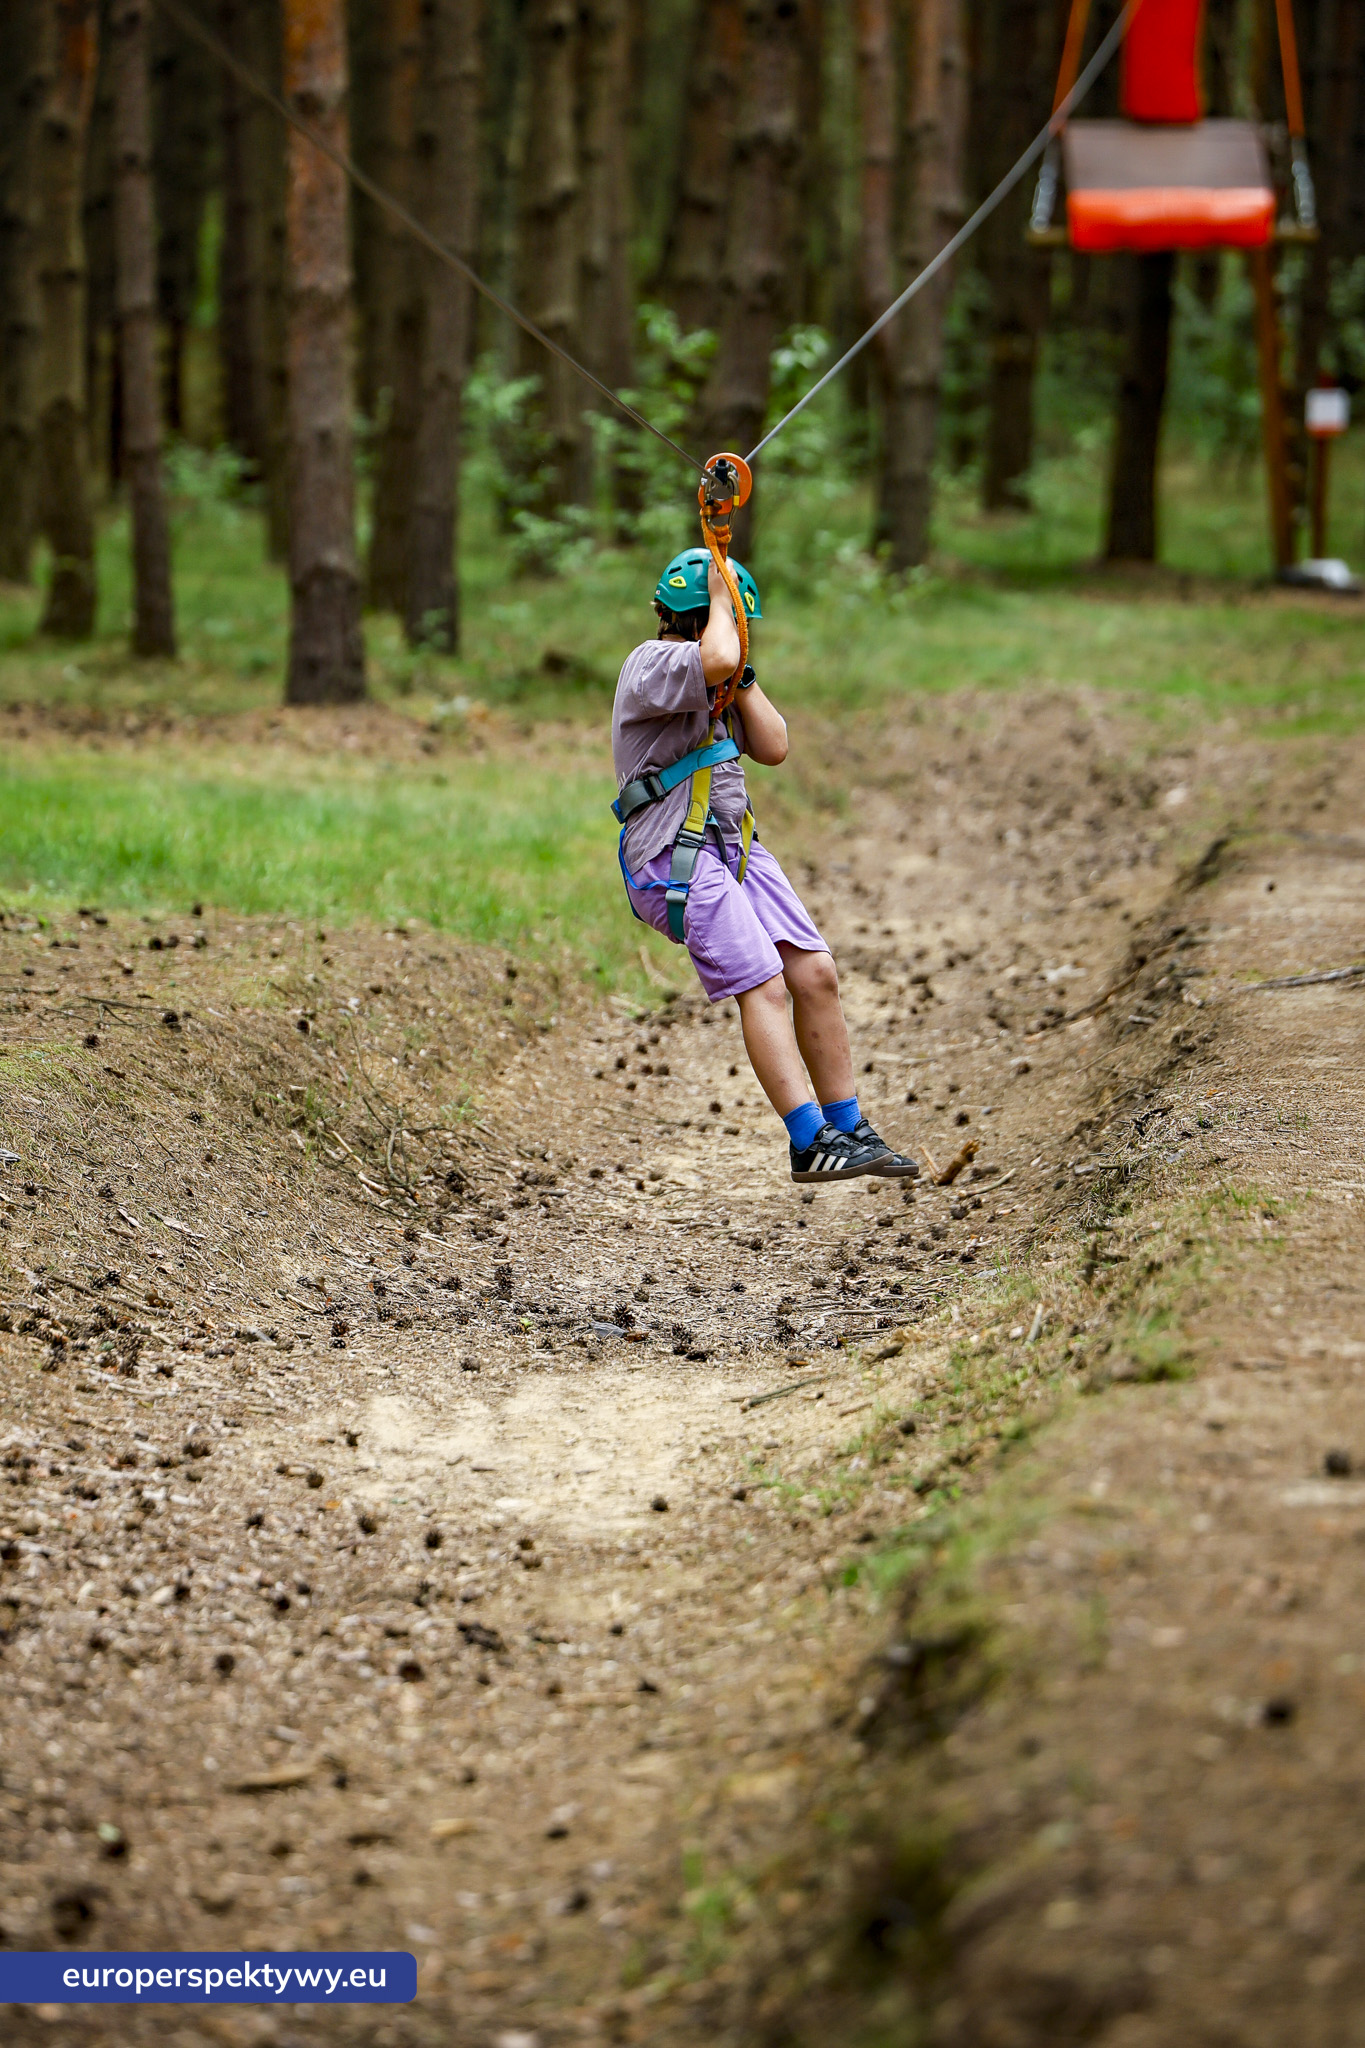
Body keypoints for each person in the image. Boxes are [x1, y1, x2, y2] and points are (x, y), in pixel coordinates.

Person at [611, 546, 917, 1184]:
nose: (742, 644)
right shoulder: (651, 664)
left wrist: (743, 679)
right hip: (672, 855)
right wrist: (725, 612)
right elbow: (716, 655)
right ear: (700, 622)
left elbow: (774, 746)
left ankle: (848, 1125)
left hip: (733, 847)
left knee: (814, 972)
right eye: (735, 625)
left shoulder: (722, 678)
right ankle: (808, 1139)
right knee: (764, 983)